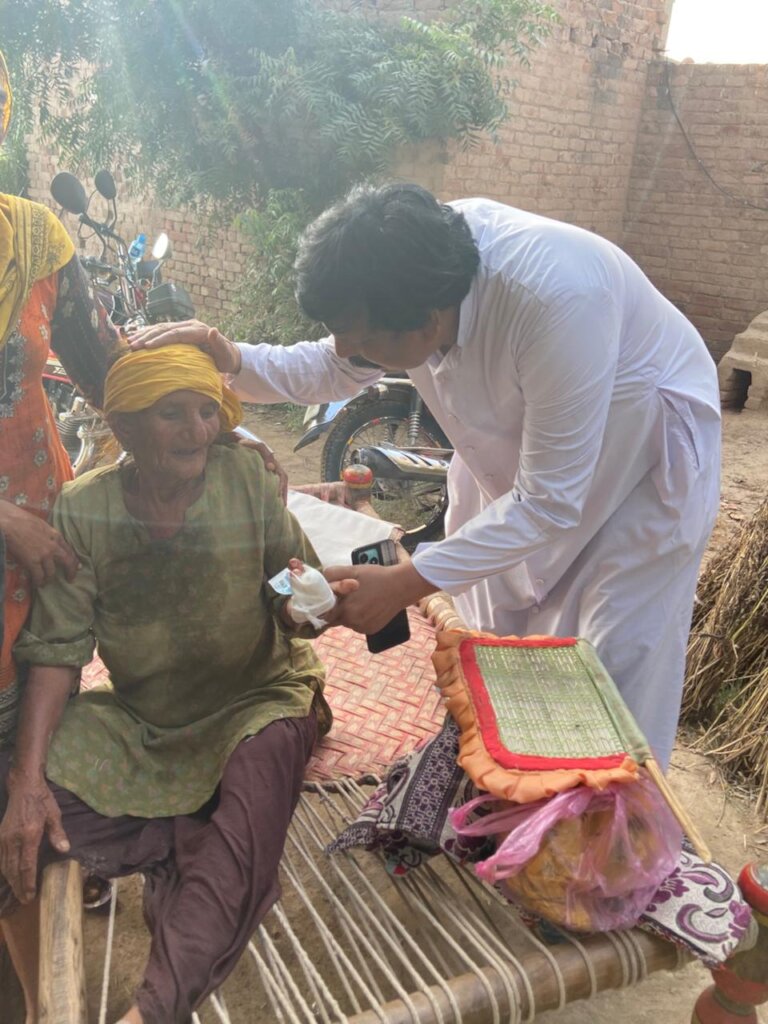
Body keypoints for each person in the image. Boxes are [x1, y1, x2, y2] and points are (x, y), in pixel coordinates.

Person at [131, 182, 721, 771]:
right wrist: (230, 356)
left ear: (430, 318)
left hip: (640, 462)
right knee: (491, 651)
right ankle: (505, 806)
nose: (348, 349)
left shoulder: (556, 296)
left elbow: (548, 505)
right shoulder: (407, 274)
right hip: (522, 462)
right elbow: (334, 365)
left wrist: (406, 582)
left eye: (363, 338)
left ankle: (614, 854)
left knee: (610, 678)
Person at [0, 344, 357, 1023]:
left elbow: (288, 573)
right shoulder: (85, 509)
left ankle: (152, 1011)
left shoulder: (244, 479)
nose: (196, 430)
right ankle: (187, 838)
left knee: (253, 794)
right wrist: (27, 778)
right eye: (172, 414)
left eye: (205, 412)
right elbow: (58, 649)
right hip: (145, 720)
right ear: (126, 430)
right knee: (31, 798)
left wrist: (297, 603)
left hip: (259, 699)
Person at [0, 50, 123, 749]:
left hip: (42, 551)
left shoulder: (37, 240)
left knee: (32, 763)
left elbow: (107, 373)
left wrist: (213, 428)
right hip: (17, 530)